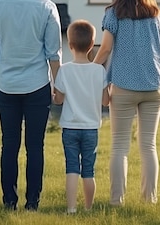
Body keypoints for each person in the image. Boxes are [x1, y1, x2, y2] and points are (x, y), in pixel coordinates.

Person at [0, 0, 62, 211]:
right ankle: (33, 203)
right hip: (38, 85)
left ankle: (9, 202)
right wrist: (57, 85)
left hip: (6, 85)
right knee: (35, 146)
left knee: (9, 145)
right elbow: (54, 53)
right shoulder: (48, 7)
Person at [92, 0, 160, 206]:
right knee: (149, 145)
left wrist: (92, 69)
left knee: (119, 145)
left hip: (124, 87)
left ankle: (117, 201)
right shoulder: (159, 17)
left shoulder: (113, 14)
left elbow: (105, 49)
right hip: (154, 86)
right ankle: (150, 200)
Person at [53, 19, 110, 214]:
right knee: (88, 170)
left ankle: (71, 209)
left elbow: (59, 100)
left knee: (71, 168)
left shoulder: (64, 70)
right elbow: (105, 101)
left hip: (69, 127)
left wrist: (55, 94)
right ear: (91, 45)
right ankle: (87, 208)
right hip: (91, 128)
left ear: (70, 45)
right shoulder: (99, 71)